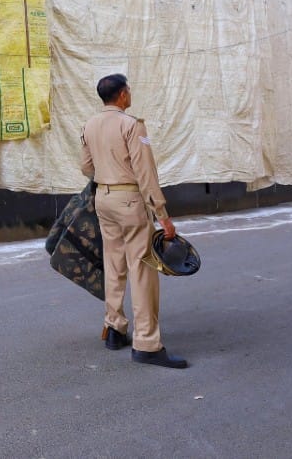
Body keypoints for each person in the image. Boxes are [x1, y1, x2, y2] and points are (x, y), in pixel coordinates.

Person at [79, 73, 187, 369]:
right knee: (142, 269)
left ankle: (115, 328)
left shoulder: (89, 125)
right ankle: (147, 344)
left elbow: (85, 166)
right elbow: (146, 174)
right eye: (129, 91)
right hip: (130, 200)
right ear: (123, 95)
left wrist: (107, 174)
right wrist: (163, 216)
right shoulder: (132, 125)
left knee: (114, 263)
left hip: (103, 198)